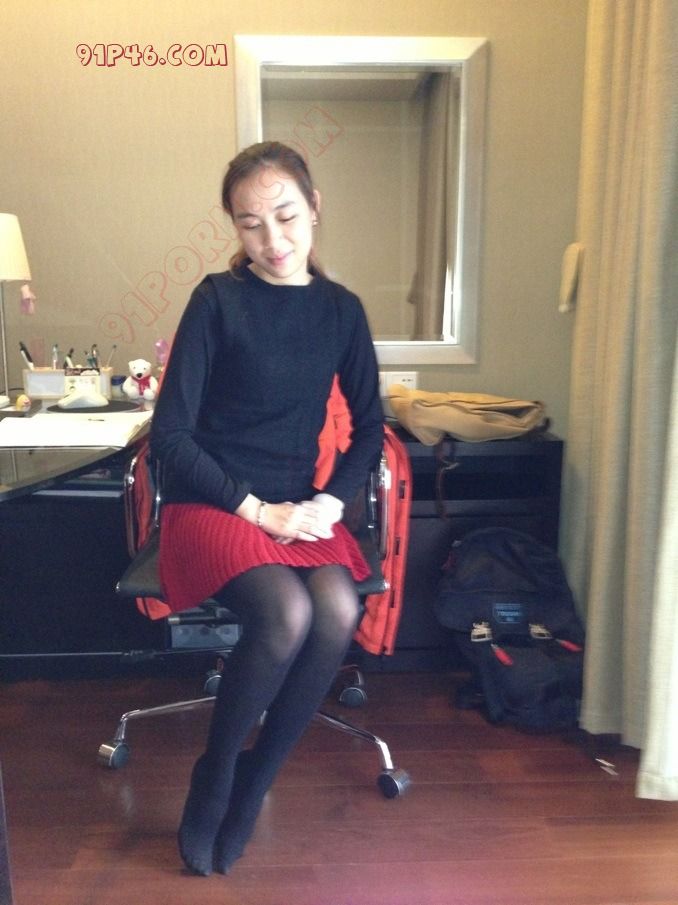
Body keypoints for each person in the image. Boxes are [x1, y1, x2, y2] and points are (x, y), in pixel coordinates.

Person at [150, 141, 384, 876]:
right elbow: (170, 438)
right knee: (286, 612)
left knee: (338, 609)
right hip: (213, 504)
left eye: (285, 216)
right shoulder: (217, 301)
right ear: (235, 228)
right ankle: (218, 771)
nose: (273, 240)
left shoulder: (341, 311)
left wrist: (329, 501)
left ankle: (258, 776)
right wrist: (258, 511)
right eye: (250, 224)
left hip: (294, 508)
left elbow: (370, 428)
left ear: (314, 208)